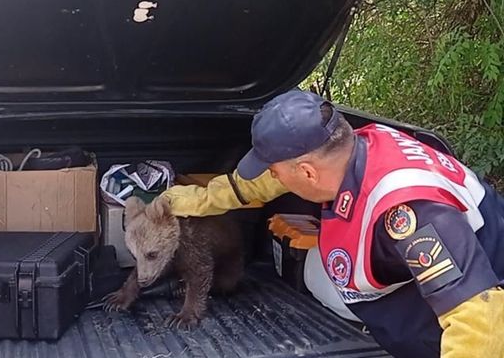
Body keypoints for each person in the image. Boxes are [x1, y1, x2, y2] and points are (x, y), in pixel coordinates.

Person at [160, 89, 504, 358]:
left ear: (307, 172)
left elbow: (480, 318)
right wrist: (200, 199)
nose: (272, 176)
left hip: (479, 298)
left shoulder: (409, 211)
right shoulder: (352, 147)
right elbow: (268, 182)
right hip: (429, 273)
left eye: (275, 168)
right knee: (320, 273)